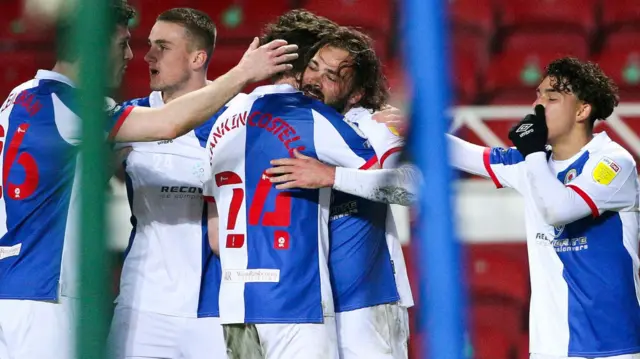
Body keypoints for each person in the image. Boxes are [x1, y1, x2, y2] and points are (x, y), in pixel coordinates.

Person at [0, 0, 297, 357]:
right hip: (47, 291)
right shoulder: (76, 106)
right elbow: (168, 123)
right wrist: (243, 73)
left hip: (17, 286)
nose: (132, 55)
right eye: (121, 43)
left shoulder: (21, 96)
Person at [202, 22, 382, 359]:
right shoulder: (316, 118)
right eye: (316, 65)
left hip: (234, 306)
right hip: (295, 301)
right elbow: (396, 182)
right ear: (302, 66)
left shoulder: (219, 123)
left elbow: (215, 238)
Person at [108, 8, 225, 359]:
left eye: (163, 46)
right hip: (141, 302)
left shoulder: (237, 118)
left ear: (197, 57)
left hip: (214, 304)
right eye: (148, 45)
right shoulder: (130, 118)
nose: (147, 56)